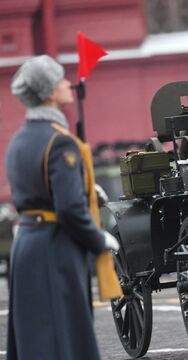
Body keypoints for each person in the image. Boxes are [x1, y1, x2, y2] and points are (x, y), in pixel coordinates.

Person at [5, 55, 120, 360]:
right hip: (55, 248)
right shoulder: (60, 143)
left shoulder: (18, 140)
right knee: (65, 342)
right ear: (49, 93)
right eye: (60, 79)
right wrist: (98, 240)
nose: (68, 84)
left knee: (37, 343)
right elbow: (69, 209)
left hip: (27, 246)